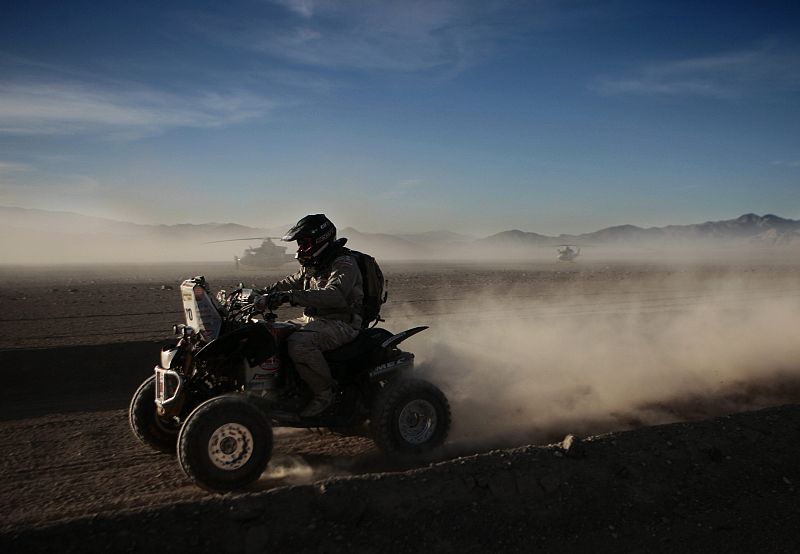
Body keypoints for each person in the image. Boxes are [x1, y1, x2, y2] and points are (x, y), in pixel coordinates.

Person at [256, 214, 363, 417]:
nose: (300, 249)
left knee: (299, 344)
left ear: (320, 240)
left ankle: (326, 394)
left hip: (341, 323)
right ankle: (281, 390)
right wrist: (260, 293)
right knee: (268, 333)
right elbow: (288, 283)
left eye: (304, 243)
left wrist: (290, 297)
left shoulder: (344, 263)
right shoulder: (313, 264)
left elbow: (335, 295)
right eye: (299, 244)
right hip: (313, 321)